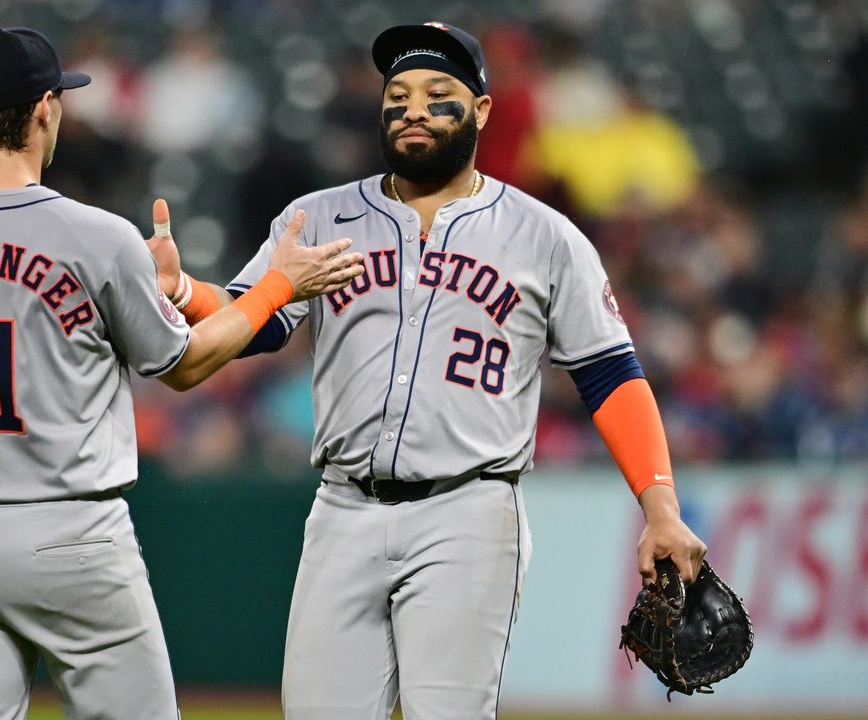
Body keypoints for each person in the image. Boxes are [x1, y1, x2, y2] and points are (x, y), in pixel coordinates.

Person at [148, 21, 707, 720]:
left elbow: (609, 376)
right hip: (342, 508)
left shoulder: (544, 236)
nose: (413, 107)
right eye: (398, 93)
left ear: (480, 111)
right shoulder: (317, 217)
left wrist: (659, 508)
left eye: (438, 93)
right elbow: (247, 322)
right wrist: (179, 293)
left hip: (467, 512)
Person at [0, 26, 362, 720]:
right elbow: (186, 364)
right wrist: (276, 288)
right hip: (68, 534)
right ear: (46, 109)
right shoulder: (95, 234)